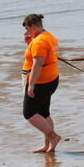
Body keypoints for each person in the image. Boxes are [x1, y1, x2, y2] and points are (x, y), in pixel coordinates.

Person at [22, 14, 61, 153]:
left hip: (41, 82)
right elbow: (43, 55)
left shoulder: (39, 42)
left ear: (33, 25)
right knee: (43, 113)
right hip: (51, 79)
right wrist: (30, 42)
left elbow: (38, 64)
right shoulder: (49, 36)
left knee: (29, 113)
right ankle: (48, 145)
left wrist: (31, 85)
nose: (27, 32)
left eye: (28, 28)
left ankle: (53, 137)